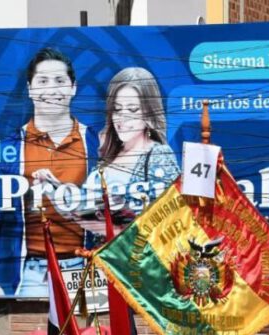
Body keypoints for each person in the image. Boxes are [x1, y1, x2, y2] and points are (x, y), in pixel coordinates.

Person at [14, 47, 101, 297]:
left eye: (60, 81)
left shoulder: (95, 143)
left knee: (86, 334)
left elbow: (110, 211)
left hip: (84, 266)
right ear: (30, 89)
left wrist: (62, 196)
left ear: (73, 87)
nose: (51, 90)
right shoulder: (11, 147)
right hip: (31, 271)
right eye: (42, 81)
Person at [75, 67, 180, 237]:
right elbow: (87, 217)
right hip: (100, 259)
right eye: (117, 109)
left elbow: (171, 221)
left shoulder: (159, 155)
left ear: (149, 112)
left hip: (140, 260)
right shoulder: (106, 158)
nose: (122, 118)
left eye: (132, 110)